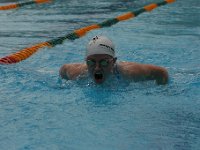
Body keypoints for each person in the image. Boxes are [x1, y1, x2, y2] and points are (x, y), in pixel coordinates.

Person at [59, 36, 168, 85]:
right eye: (91, 62)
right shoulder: (77, 73)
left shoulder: (129, 72)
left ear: (113, 61)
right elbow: (63, 69)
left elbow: (161, 72)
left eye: (104, 62)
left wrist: (162, 93)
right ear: (85, 61)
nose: (97, 67)